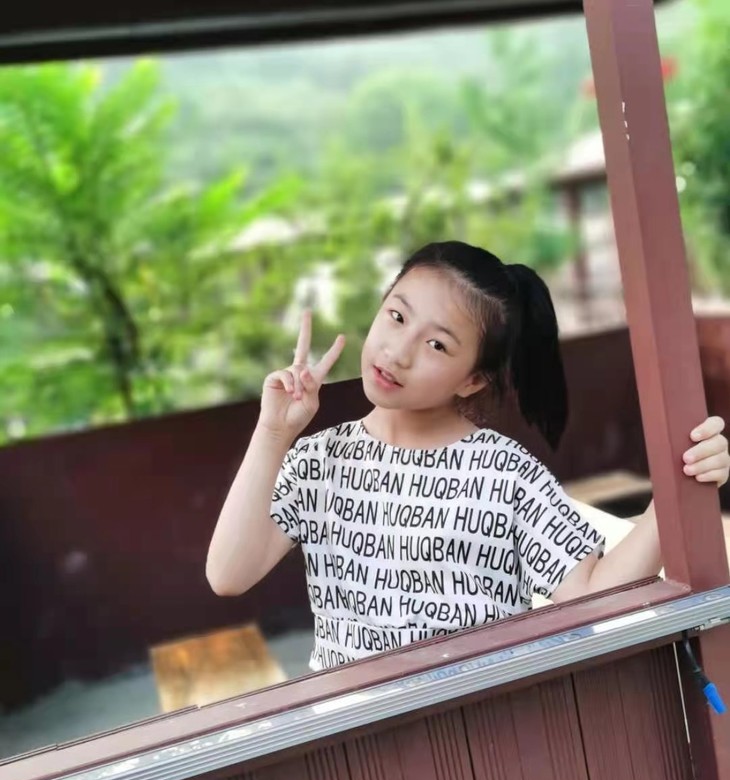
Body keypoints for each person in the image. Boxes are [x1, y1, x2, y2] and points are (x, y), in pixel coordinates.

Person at [206, 241, 730, 671]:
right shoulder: (319, 459)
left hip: (477, 740)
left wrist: (680, 488)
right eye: (396, 316)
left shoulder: (504, 471)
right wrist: (273, 433)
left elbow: (594, 596)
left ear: (473, 379)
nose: (398, 352)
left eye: (437, 345)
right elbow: (228, 574)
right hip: (348, 738)